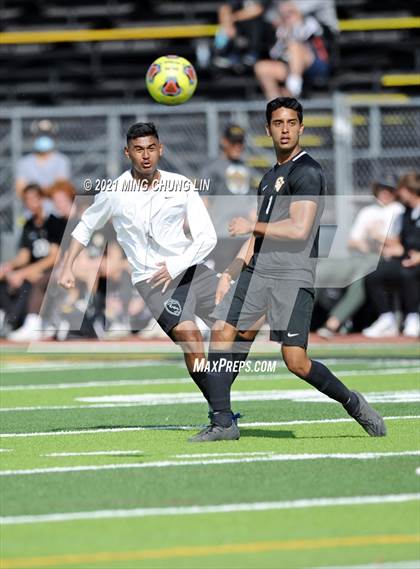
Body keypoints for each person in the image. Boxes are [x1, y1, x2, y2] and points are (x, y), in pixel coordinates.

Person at [188, 97, 387, 442]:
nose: (285, 129)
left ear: (301, 128)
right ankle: (223, 421)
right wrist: (231, 272)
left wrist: (253, 225)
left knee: (296, 362)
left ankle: (353, 403)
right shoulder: (268, 177)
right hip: (258, 273)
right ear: (268, 130)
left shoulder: (307, 171)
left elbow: (299, 229)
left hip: (293, 276)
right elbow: (256, 233)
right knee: (222, 331)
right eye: (278, 123)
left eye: (291, 123)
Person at [58, 122, 254, 405]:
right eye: (138, 149)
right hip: (154, 283)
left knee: (245, 326)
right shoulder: (114, 192)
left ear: (160, 149)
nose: (145, 155)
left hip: (193, 272)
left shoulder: (182, 185)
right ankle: (220, 408)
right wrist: (66, 265)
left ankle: (219, 394)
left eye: (151, 148)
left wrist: (176, 266)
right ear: (127, 153)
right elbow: (85, 225)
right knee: (192, 338)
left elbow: (207, 237)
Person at [316, 180, 404, 338]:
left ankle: (333, 323)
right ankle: (293, 321)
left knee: (362, 278)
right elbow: (353, 241)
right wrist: (367, 242)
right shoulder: (368, 211)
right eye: (382, 189)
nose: (385, 193)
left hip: (380, 259)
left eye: (389, 190)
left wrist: (377, 237)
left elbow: (398, 246)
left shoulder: (399, 210)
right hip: (358, 256)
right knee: (319, 271)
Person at [1, 184, 65, 340]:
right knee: (5, 277)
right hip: (32, 270)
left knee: (34, 281)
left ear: (42, 199)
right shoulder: (28, 225)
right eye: (27, 200)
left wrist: (25, 272)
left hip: (53, 269)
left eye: (34, 199)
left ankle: (32, 323)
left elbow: (54, 257)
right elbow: (23, 256)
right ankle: (6, 318)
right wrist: (8, 267)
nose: (31, 203)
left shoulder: (54, 223)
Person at [363, 172, 420, 338]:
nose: (398, 193)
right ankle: (387, 319)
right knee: (374, 273)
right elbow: (400, 242)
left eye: (401, 189)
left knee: (408, 273)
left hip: (415, 263)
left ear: (411, 190)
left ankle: (412, 317)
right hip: (407, 259)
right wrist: (392, 248)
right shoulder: (406, 214)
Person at [200, 124, 256, 272]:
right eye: (234, 142)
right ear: (224, 142)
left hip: (244, 236)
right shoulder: (211, 168)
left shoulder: (247, 169)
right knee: (222, 277)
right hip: (222, 234)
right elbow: (204, 201)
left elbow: (251, 202)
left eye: (241, 142)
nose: (238, 146)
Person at [254, 0, 330, 99]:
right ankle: (275, 104)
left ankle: (293, 91)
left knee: (294, 46)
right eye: (284, 13)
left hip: (314, 64)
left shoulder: (310, 22)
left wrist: (292, 28)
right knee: (261, 67)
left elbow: (300, 38)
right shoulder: (281, 30)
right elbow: (275, 54)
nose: (287, 15)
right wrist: (283, 34)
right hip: (290, 67)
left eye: (290, 12)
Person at [15, 133, 71, 199]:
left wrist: (34, 191)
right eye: (40, 134)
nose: (44, 137)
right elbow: (20, 190)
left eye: (47, 133)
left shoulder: (61, 160)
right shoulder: (24, 162)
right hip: (31, 208)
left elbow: (60, 188)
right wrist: (47, 190)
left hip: (56, 207)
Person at [214, 0, 266, 69]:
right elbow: (225, 7)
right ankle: (225, 53)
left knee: (255, 24)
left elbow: (258, 9)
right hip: (239, 28)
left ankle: (252, 54)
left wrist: (234, 17)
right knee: (224, 27)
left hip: (259, 29)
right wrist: (227, 25)